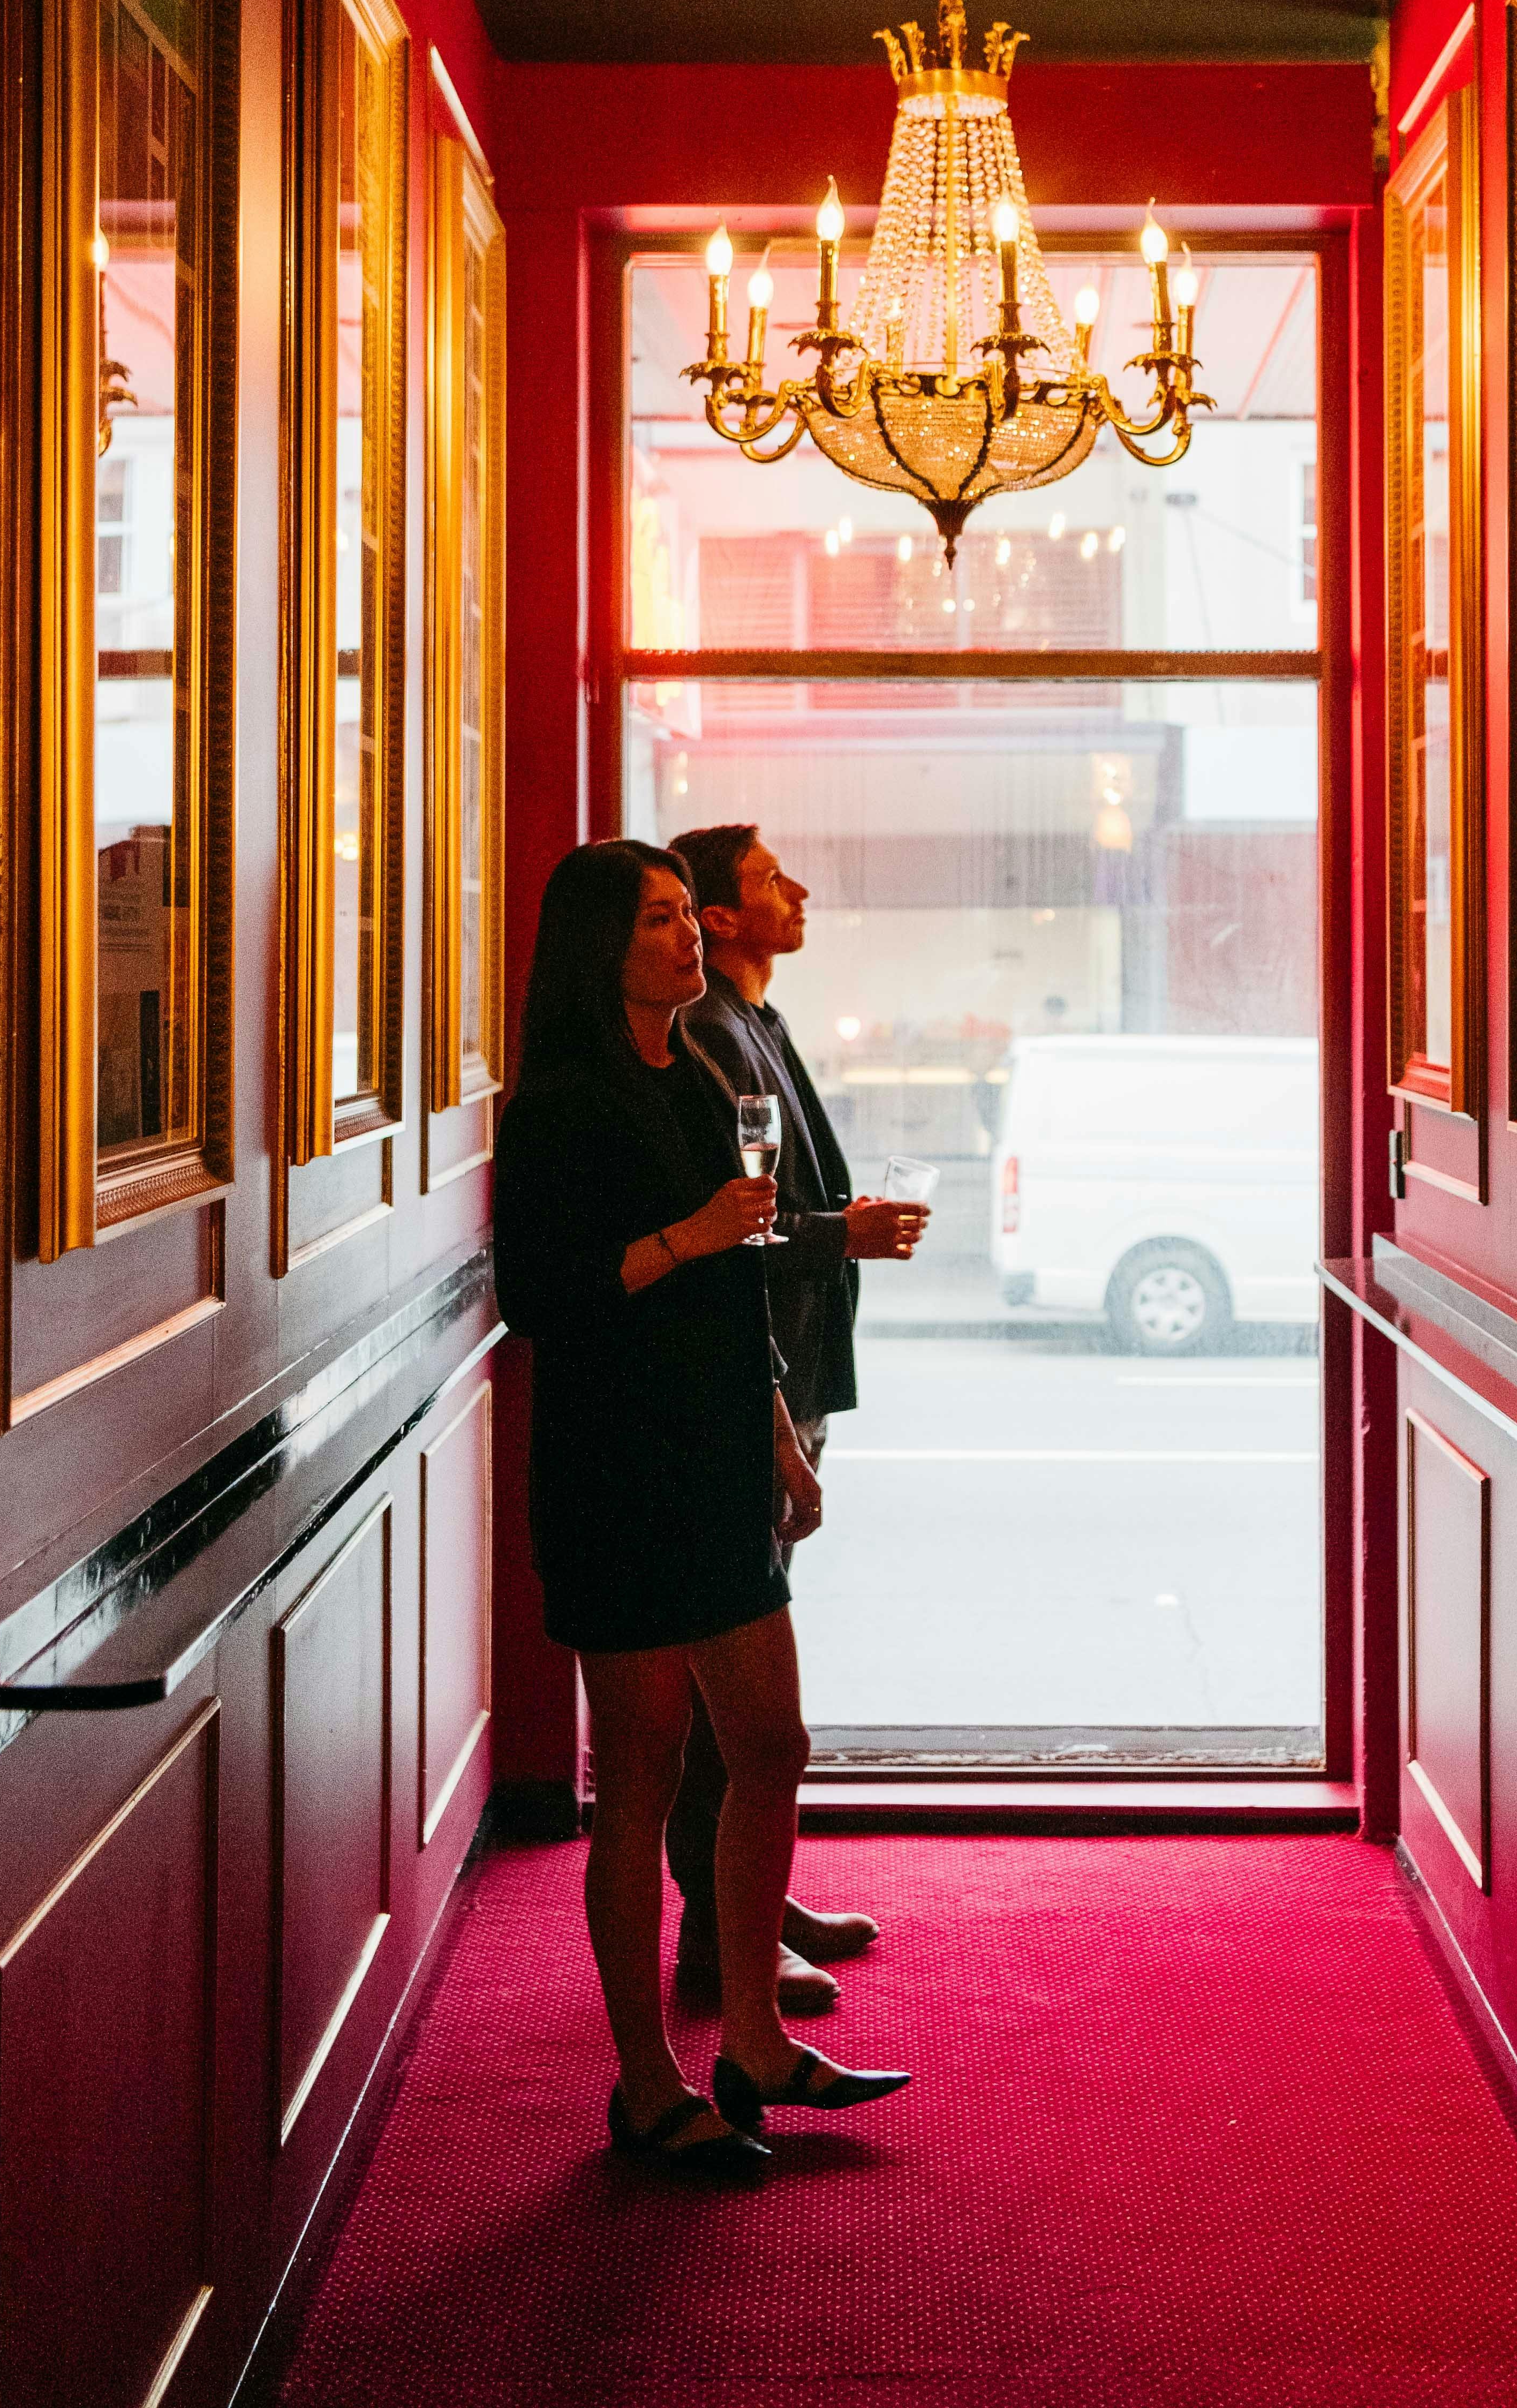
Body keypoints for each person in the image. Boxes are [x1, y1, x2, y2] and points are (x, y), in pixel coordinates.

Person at [491, 838, 911, 2174]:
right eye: (662, 921)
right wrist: (690, 1239)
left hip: (723, 1452)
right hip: (619, 1467)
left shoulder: (706, 1072)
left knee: (772, 1743)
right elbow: (541, 1296)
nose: (689, 938)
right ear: (601, 948)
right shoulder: (562, 1102)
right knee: (645, 1772)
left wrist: (781, 1432)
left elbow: (742, 1268)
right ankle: (646, 2083)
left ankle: (755, 2044)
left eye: (688, 915)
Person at [662, 823, 929, 2011]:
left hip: (789, 1367)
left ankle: (752, 1901)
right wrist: (839, 1234)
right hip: (751, 1372)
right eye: (773, 879)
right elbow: (734, 1221)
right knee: (731, 1679)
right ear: (721, 915)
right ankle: (719, 1935)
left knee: (749, 1662)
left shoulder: (752, 1021)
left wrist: (835, 1225)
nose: (801, 890)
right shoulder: (713, 1032)